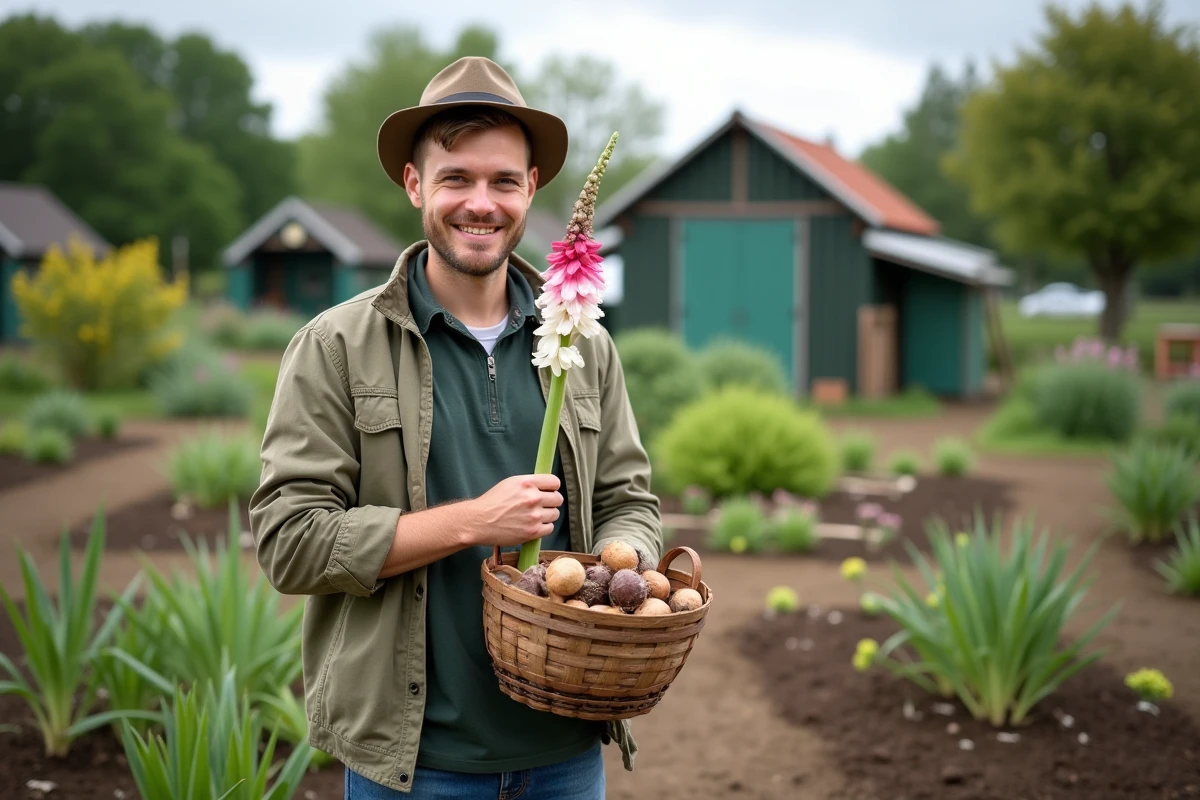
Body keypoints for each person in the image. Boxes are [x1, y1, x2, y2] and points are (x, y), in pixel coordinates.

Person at [250, 56, 662, 799]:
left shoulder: (586, 343)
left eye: (504, 181)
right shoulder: (336, 347)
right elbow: (290, 543)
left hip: (566, 756)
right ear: (415, 186)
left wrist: (618, 564)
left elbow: (631, 495)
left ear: (531, 189)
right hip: (415, 765)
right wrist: (472, 522)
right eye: (456, 179)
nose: (482, 203)